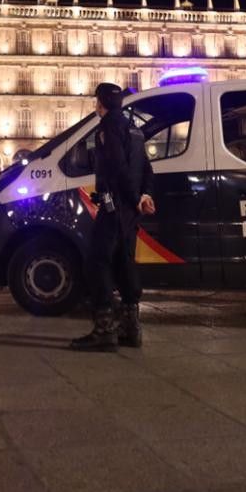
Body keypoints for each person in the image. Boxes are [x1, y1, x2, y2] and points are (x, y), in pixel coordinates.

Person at [70, 83, 156, 352]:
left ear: (101, 103)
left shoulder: (108, 127)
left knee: (97, 263)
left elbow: (118, 168)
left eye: (97, 101)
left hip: (114, 206)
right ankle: (131, 328)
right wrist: (144, 196)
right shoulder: (134, 128)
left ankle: (105, 329)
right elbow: (147, 168)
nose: (96, 106)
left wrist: (130, 199)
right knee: (125, 262)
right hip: (130, 211)